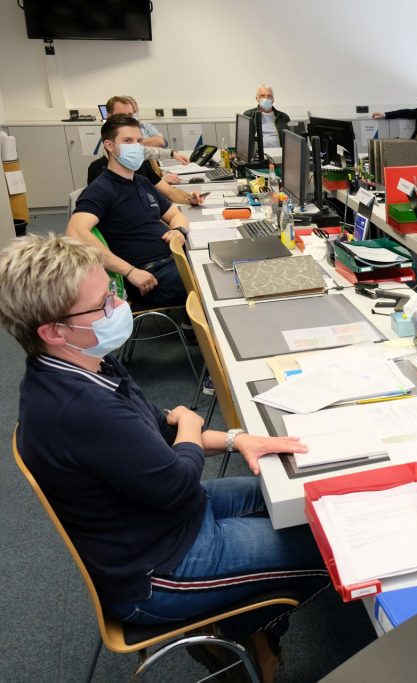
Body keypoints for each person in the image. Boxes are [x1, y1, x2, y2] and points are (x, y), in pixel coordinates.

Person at [1, 234, 335, 681]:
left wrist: (238, 441)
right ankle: (246, 634)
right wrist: (193, 426)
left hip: (165, 520)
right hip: (159, 570)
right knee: (333, 547)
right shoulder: (78, 409)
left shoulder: (84, 364)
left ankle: (239, 620)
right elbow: (177, 480)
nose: (118, 308)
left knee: (312, 496)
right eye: (102, 305)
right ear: (53, 330)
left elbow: (159, 425)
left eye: (113, 292)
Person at [66, 114, 191, 307]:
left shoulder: (141, 181)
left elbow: (175, 214)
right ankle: (195, 326)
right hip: (148, 275)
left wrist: (178, 230)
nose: (135, 146)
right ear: (109, 145)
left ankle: (191, 321)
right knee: (205, 281)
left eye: (138, 141)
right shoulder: (101, 189)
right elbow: (75, 233)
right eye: (127, 141)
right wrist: (130, 272)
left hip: (173, 259)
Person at [243, 85, 290, 150]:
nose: (266, 98)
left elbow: (291, 141)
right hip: (257, 156)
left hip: (280, 154)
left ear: (273, 99)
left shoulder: (283, 117)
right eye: (262, 96)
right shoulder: (249, 115)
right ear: (257, 98)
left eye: (269, 96)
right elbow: (242, 139)